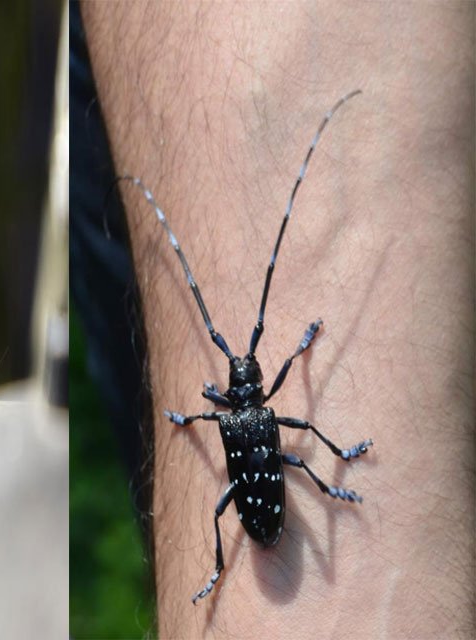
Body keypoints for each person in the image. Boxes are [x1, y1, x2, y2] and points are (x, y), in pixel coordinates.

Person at [80, 2, 474, 635]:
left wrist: (193, 416)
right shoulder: (259, 415)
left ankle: (248, 542)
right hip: (267, 518)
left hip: (261, 519)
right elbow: (281, 406)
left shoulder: (236, 419)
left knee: (213, 503)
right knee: (273, 464)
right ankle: (322, 481)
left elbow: (232, 407)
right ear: (254, 383)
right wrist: (289, 358)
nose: (248, 366)